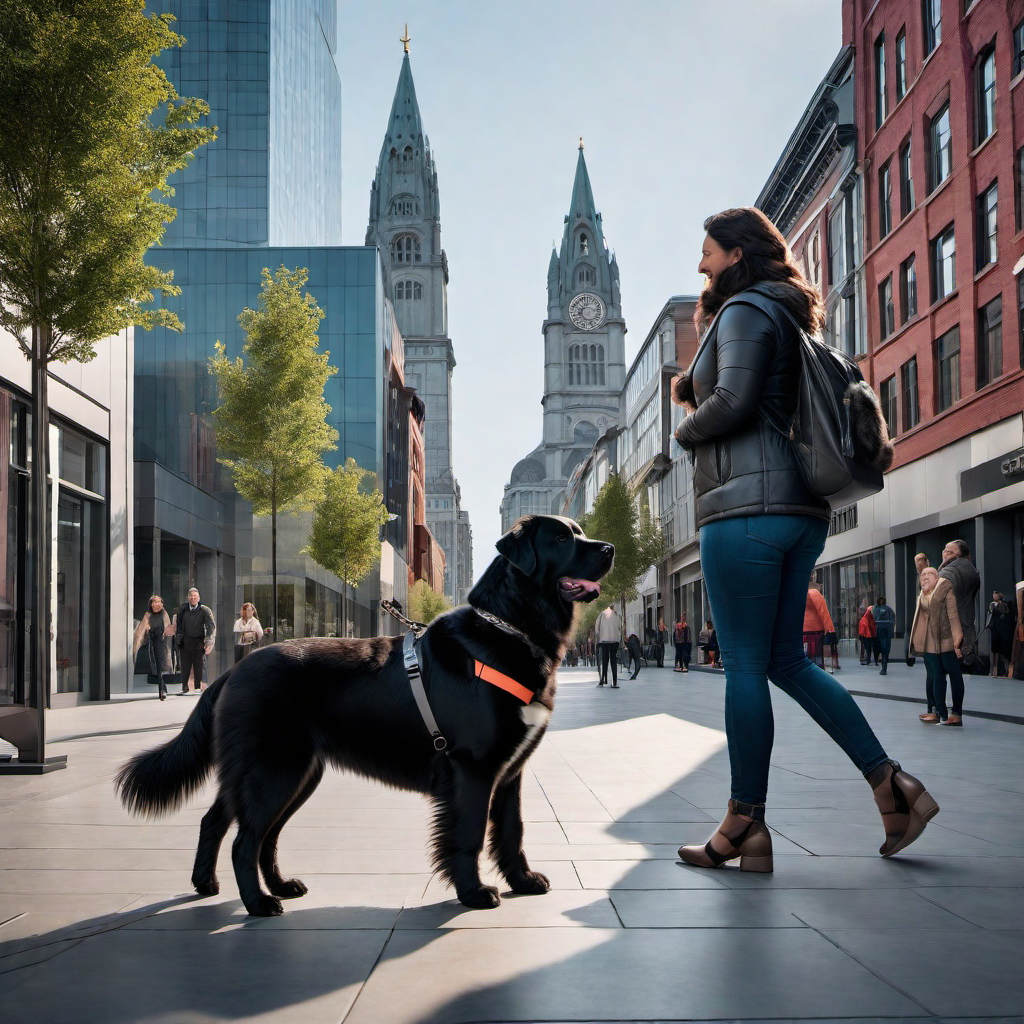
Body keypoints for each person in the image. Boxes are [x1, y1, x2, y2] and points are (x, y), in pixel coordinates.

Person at [671, 207, 936, 873]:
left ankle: (742, 821)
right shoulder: (784, 314)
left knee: (743, 666)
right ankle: (893, 787)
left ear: (735, 252)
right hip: (798, 510)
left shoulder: (743, 311)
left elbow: (731, 403)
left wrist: (683, 429)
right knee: (787, 661)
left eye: (707, 251)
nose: (700, 263)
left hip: (744, 511)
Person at [910, 567, 964, 725]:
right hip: (929, 642)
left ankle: (956, 713)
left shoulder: (945, 589)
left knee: (954, 675)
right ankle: (938, 712)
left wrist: (957, 640)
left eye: (929, 575)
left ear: (937, 577)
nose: (925, 578)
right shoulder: (923, 593)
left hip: (946, 640)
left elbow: (953, 615)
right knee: (934, 675)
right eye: (922, 575)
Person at [938, 539, 980, 661]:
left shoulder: (949, 571)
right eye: (944, 551)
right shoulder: (971, 569)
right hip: (966, 627)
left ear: (959, 555)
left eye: (950, 552)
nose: (945, 554)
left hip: (951, 631)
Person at [131, 595, 175, 700]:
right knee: (156, 665)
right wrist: (146, 627)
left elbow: (167, 627)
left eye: (159, 602)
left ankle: (162, 690)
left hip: (162, 642)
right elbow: (141, 630)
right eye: (154, 602)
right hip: (152, 641)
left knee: (161, 666)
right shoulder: (148, 615)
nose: (157, 604)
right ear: (151, 604)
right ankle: (163, 688)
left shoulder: (164, 613)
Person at [175, 587, 216, 693]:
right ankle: (184, 686)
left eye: (195, 596)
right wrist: (179, 638)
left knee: (199, 664)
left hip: (199, 640)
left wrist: (208, 641)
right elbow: (178, 625)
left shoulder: (205, 610)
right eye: (191, 596)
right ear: (188, 597)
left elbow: (211, 627)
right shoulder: (183, 609)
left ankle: (198, 687)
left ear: (199, 598)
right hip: (185, 640)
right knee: (185, 664)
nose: (193, 598)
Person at [803, 583, 834, 670]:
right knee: (816, 652)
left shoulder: (798, 594)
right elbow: (823, 611)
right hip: (815, 628)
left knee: (806, 652)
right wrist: (830, 629)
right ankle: (816, 668)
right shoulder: (814, 593)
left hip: (803, 628)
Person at [986, 591, 1015, 678]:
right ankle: (993, 670)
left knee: (1003, 651)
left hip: (1003, 630)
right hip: (995, 629)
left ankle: (1006, 671)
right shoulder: (992, 604)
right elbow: (991, 612)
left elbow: (1005, 611)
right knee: (994, 651)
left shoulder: (1005, 605)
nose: (994, 595)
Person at [595, 604, 621, 688]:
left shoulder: (602, 614)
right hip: (614, 641)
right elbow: (620, 627)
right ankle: (615, 682)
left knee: (604, 661)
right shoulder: (616, 615)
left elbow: (597, 629)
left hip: (604, 641)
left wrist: (598, 639)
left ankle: (602, 681)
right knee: (613, 661)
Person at [872, 596, 896, 675]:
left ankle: (884, 665)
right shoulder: (877, 609)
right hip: (881, 630)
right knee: (883, 648)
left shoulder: (886, 609)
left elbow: (892, 618)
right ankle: (883, 664)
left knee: (885, 648)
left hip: (885, 630)